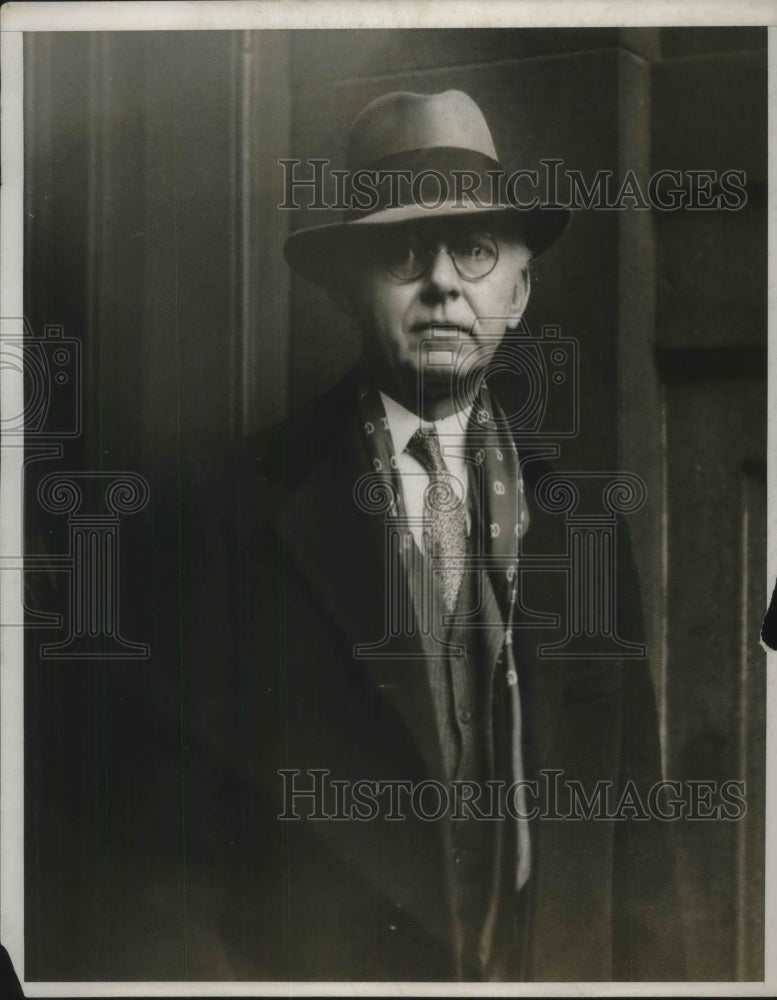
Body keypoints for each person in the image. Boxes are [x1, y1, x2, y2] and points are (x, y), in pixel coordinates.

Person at [170, 89, 684, 983]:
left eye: (474, 249)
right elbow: (167, 868)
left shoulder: (583, 528)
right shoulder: (229, 511)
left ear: (518, 290)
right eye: (402, 252)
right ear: (346, 286)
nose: (443, 282)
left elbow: (640, 853)